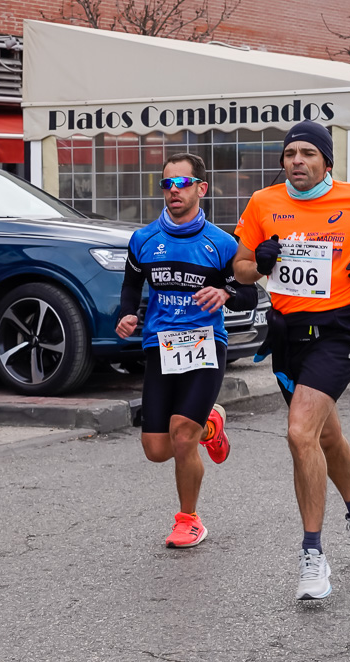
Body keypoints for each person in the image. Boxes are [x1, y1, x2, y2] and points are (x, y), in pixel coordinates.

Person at [232, 120, 350, 600]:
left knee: (299, 433)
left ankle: (312, 555)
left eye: (308, 153)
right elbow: (241, 268)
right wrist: (260, 262)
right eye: (290, 153)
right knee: (324, 436)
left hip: (341, 329)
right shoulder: (263, 203)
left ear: (326, 162)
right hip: (290, 335)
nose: (297, 161)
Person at [116, 153, 257, 548]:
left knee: (181, 437)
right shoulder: (144, 240)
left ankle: (189, 520)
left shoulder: (222, 243)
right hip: (160, 345)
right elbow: (131, 285)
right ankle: (210, 423)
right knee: (156, 449)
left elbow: (249, 294)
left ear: (201, 188)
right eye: (167, 184)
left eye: (182, 183)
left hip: (206, 345)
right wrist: (126, 314)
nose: (173, 191)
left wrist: (226, 292)